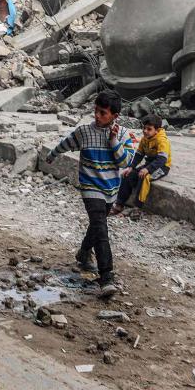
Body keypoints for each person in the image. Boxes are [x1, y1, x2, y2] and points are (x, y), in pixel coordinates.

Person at [45, 90, 135, 297]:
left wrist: (113, 142)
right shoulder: (84, 132)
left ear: (115, 116)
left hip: (110, 189)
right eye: (96, 111)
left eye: (103, 113)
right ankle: (106, 277)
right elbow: (65, 143)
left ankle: (84, 252)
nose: (97, 116)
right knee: (101, 228)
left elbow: (125, 163)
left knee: (97, 225)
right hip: (89, 187)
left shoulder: (123, 135)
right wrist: (51, 155)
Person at [111, 114, 172, 215]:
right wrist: (131, 167)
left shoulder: (162, 140)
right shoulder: (145, 138)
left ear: (157, 130)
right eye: (144, 128)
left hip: (162, 166)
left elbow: (162, 159)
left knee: (144, 178)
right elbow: (139, 154)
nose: (145, 131)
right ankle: (119, 204)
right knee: (127, 175)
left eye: (149, 129)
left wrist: (148, 169)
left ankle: (137, 208)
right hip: (150, 164)